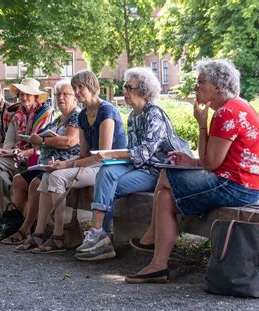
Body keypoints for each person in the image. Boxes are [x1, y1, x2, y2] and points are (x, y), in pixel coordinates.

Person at [125, 59, 259, 284]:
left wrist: (202, 124)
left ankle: (152, 240)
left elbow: (212, 163)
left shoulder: (226, 113)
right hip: (244, 183)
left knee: (165, 174)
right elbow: (221, 160)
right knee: (164, 196)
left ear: (218, 87)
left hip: (236, 186)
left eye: (201, 82)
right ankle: (158, 266)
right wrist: (193, 162)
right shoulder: (238, 106)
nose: (196, 88)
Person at [74, 67, 184, 261]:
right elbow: (133, 152)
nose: (124, 91)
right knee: (106, 173)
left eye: (128, 87)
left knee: (107, 183)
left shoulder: (154, 114)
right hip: (140, 166)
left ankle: (102, 238)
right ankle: (99, 234)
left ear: (142, 90)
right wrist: (110, 159)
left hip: (156, 170)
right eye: (124, 87)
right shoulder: (133, 116)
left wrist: (110, 153)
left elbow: (145, 152)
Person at [16, 70, 127, 253]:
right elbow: (84, 153)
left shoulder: (106, 111)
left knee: (57, 177)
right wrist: (61, 164)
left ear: (92, 87)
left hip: (110, 167)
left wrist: (66, 165)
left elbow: (103, 155)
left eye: (79, 87)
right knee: (47, 176)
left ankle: (59, 237)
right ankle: (38, 234)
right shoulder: (84, 115)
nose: (76, 91)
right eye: (74, 88)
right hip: (92, 164)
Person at [1, 79, 81, 245]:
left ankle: (26, 230)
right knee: (19, 180)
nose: (61, 98)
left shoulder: (76, 117)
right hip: (46, 164)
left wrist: (42, 141)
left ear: (76, 98)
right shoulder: (59, 119)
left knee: (35, 184)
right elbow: (42, 137)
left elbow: (69, 141)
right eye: (58, 94)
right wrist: (38, 140)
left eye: (66, 94)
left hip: (63, 164)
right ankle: (20, 224)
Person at [0, 78, 52, 225]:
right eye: (21, 94)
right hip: (16, 158)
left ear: (35, 97)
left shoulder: (44, 114)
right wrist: (5, 151)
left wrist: (21, 152)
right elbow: (8, 143)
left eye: (28, 94)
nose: (24, 97)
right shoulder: (17, 115)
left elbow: (44, 146)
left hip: (36, 159)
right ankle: (4, 219)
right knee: (0, 175)